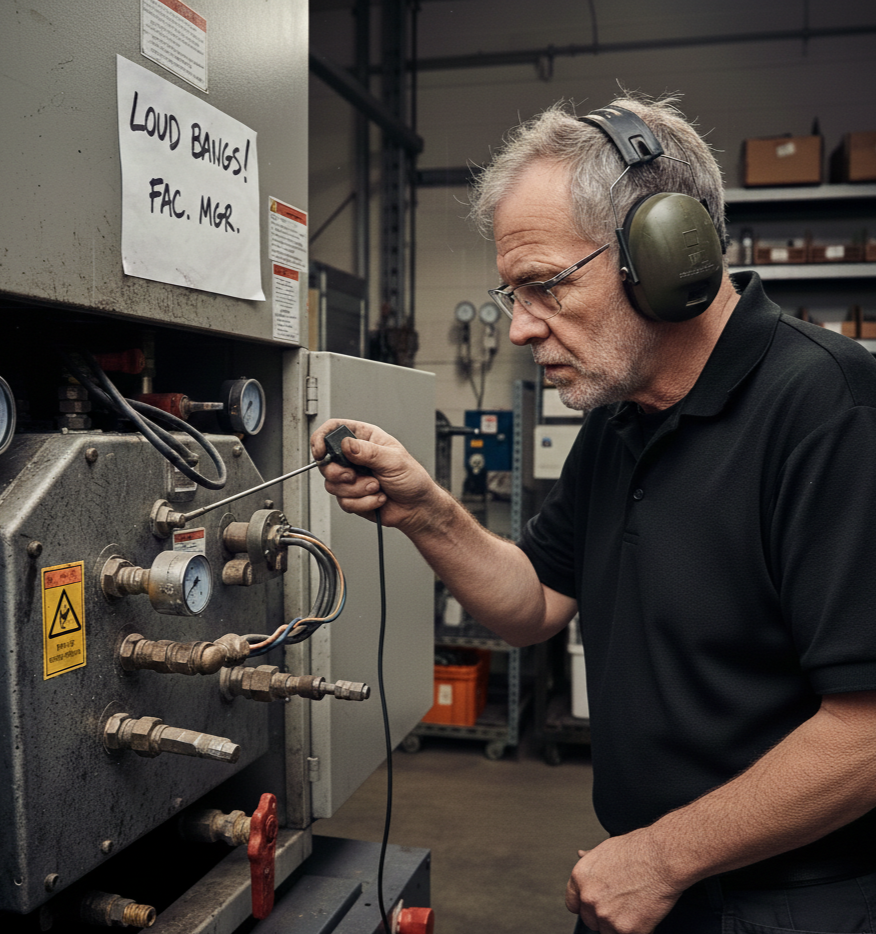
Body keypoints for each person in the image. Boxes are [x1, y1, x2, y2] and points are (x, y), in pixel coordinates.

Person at [310, 94, 876, 933]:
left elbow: (865, 730)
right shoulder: (619, 418)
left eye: (543, 286)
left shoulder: (831, 410)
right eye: (510, 296)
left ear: (667, 253)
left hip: (792, 903)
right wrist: (425, 511)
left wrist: (661, 857)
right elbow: (534, 604)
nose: (520, 331)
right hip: (649, 883)